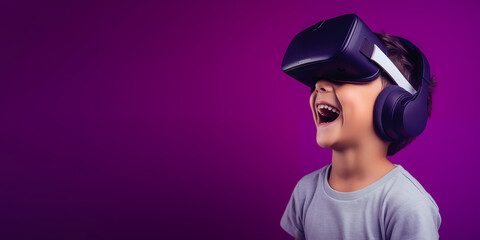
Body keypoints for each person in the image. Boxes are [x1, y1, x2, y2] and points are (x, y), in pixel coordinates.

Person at [280, 32, 441, 240]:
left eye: (344, 75)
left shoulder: (407, 204)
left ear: (396, 106)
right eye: (317, 81)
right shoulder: (306, 191)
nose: (319, 86)